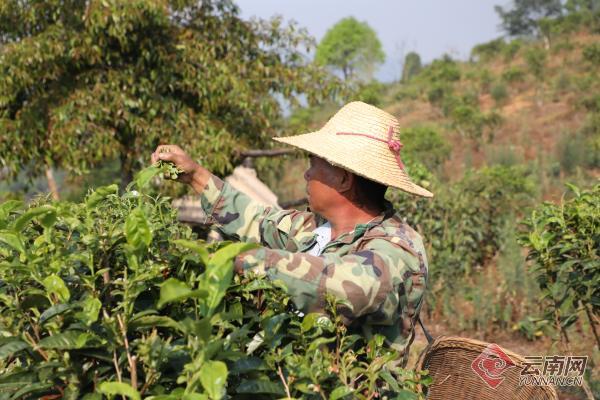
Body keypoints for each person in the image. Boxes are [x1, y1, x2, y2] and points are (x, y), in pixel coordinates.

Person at [151, 101, 433, 365]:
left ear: (344, 179)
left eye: (313, 165)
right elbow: (256, 219)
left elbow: (346, 284)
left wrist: (243, 260)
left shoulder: (398, 247)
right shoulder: (318, 229)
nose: (306, 175)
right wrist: (195, 175)